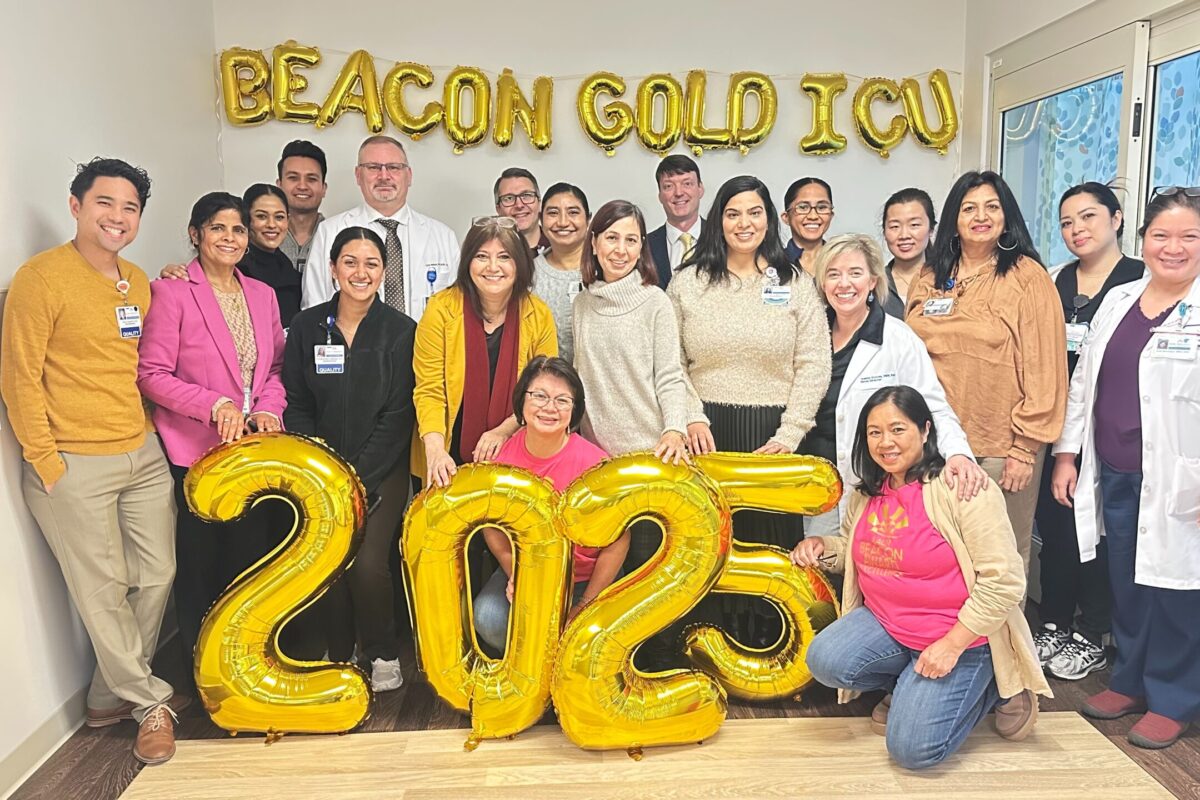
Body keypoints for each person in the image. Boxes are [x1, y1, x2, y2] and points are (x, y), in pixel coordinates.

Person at [1, 158, 183, 765]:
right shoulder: (40, 278)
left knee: (156, 577)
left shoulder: (136, 278)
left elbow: (139, 362)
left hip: (141, 451)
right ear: (76, 206)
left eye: (130, 208)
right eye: (105, 203)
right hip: (74, 462)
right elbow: (19, 379)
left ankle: (108, 692)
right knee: (102, 589)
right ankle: (149, 701)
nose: (118, 217)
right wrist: (45, 461)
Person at [793, 386, 1049, 770]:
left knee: (912, 751)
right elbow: (859, 548)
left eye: (898, 429)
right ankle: (909, 681)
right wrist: (822, 547)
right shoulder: (868, 493)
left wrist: (950, 645)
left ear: (926, 431)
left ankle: (999, 686)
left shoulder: (963, 488)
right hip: (890, 624)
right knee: (826, 660)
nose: (885, 442)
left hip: (961, 637)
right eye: (874, 432)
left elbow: (1005, 581)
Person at [1051, 186, 1200, 749]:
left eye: (1189, 236)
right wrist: (1067, 455)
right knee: (1129, 580)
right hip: (1115, 468)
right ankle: (1131, 681)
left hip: (1181, 478)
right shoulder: (1121, 300)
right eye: (1161, 235)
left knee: (1179, 588)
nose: (1173, 247)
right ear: (1143, 240)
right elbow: (1085, 382)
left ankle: (1175, 696)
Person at [668, 175, 831, 644]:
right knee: (708, 541)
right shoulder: (689, 282)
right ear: (718, 220)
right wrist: (693, 416)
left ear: (770, 220)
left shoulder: (794, 283)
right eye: (733, 212)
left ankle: (769, 643)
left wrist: (791, 432)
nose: (744, 223)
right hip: (708, 433)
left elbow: (814, 361)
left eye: (754, 212)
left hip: (774, 436)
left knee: (769, 546)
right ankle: (705, 639)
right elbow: (670, 362)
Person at [137, 192, 288, 682]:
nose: (229, 238)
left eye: (238, 229)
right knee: (201, 565)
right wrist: (213, 405)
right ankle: (201, 673)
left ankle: (246, 662)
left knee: (248, 560)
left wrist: (267, 409)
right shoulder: (173, 291)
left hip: (250, 453)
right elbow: (152, 374)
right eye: (218, 228)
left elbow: (276, 370)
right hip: (195, 454)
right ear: (195, 234)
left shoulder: (262, 295)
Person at [906, 170, 1067, 577]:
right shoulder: (929, 276)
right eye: (969, 208)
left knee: (1000, 559)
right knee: (941, 553)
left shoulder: (1027, 277)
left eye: (992, 207)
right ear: (954, 220)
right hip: (935, 442)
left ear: (1006, 216)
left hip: (1000, 446)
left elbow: (1046, 369)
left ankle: (1005, 642)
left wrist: (1024, 449)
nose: (981, 216)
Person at [284, 226, 416, 692]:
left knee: (366, 563)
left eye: (372, 264)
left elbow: (400, 412)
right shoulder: (306, 327)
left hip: (382, 471)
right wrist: (321, 466)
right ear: (333, 268)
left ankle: (381, 651)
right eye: (351, 262)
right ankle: (337, 650)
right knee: (326, 557)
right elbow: (295, 401)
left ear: (384, 272)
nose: (361, 273)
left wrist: (356, 475)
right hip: (320, 470)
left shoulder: (401, 330)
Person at [803, 233, 985, 537]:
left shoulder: (898, 339)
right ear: (822, 283)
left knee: (874, 571)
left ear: (873, 280)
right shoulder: (810, 334)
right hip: (814, 484)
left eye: (855, 273)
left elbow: (932, 405)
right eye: (833, 274)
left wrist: (958, 453)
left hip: (874, 482)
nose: (844, 284)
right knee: (817, 569)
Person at [1034, 182, 1144, 681]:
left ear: (1117, 219)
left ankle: (1092, 632)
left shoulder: (1140, 280)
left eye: (1089, 217)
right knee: (1056, 528)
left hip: (1113, 426)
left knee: (1098, 532)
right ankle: (1054, 622)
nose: (1077, 229)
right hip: (1055, 425)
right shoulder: (1054, 280)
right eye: (1066, 222)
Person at [573, 199, 706, 568]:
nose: (621, 250)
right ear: (595, 242)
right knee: (606, 579)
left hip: (649, 460)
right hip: (598, 466)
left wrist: (675, 429)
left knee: (647, 575)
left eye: (632, 240)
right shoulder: (583, 303)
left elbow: (670, 375)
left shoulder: (655, 302)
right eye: (612, 238)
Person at [473, 357, 630, 652]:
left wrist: (585, 604)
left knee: (588, 639)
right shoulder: (502, 462)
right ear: (522, 403)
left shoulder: (595, 466)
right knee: (490, 618)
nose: (550, 408)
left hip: (588, 576)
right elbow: (490, 526)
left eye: (562, 400)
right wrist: (515, 572)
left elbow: (619, 541)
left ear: (574, 412)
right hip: (528, 569)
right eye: (540, 396)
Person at [413, 217, 558, 490]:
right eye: (482, 256)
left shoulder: (537, 314)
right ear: (468, 262)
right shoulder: (441, 310)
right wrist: (434, 450)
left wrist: (503, 431)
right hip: (447, 451)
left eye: (504, 257)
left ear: (519, 264)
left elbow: (542, 392)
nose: (493, 267)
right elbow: (429, 389)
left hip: (517, 449)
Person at [302, 135, 460, 318]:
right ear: (358, 175)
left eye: (393, 167)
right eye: (373, 167)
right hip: (353, 345)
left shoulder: (442, 236)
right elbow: (314, 307)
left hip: (426, 345)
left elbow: (457, 311)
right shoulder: (330, 232)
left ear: (409, 176)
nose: (384, 176)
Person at [532, 183, 590, 363]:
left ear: (588, 219)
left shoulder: (607, 271)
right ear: (541, 220)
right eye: (553, 213)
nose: (563, 222)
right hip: (545, 386)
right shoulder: (527, 275)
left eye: (573, 212)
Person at [237, 183, 302, 328]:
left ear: (288, 221)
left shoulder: (290, 272)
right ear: (246, 220)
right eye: (261, 216)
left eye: (279, 217)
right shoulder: (234, 270)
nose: (272, 225)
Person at [647, 155, 704, 288]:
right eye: (668, 186)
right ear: (660, 195)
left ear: (700, 189)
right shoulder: (644, 246)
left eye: (687, 184)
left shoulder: (722, 239)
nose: (678, 193)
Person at [881, 188, 936, 318]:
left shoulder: (949, 280)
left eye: (914, 225)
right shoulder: (873, 284)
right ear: (884, 232)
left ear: (931, 229)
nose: (904, 235)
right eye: (895, 226)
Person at [276, 139, 328, 274]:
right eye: (293, 178)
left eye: (311, 179)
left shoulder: (336, 236)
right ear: (279, 185)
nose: (302, 186)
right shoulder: (259, 237)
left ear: (324, 188)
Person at [781, 177, 835, 277]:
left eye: (822, 207)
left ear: (831, 215)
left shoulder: (842, 260)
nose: (813, 216)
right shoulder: (772, 264)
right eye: (803, 207)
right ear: (786, 217)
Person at [494, 167, 548, 256]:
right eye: (509, 198)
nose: (519, 205)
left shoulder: (560, 247)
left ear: (539, 203)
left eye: (526, 195)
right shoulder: (487, 252)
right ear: (498, 209)